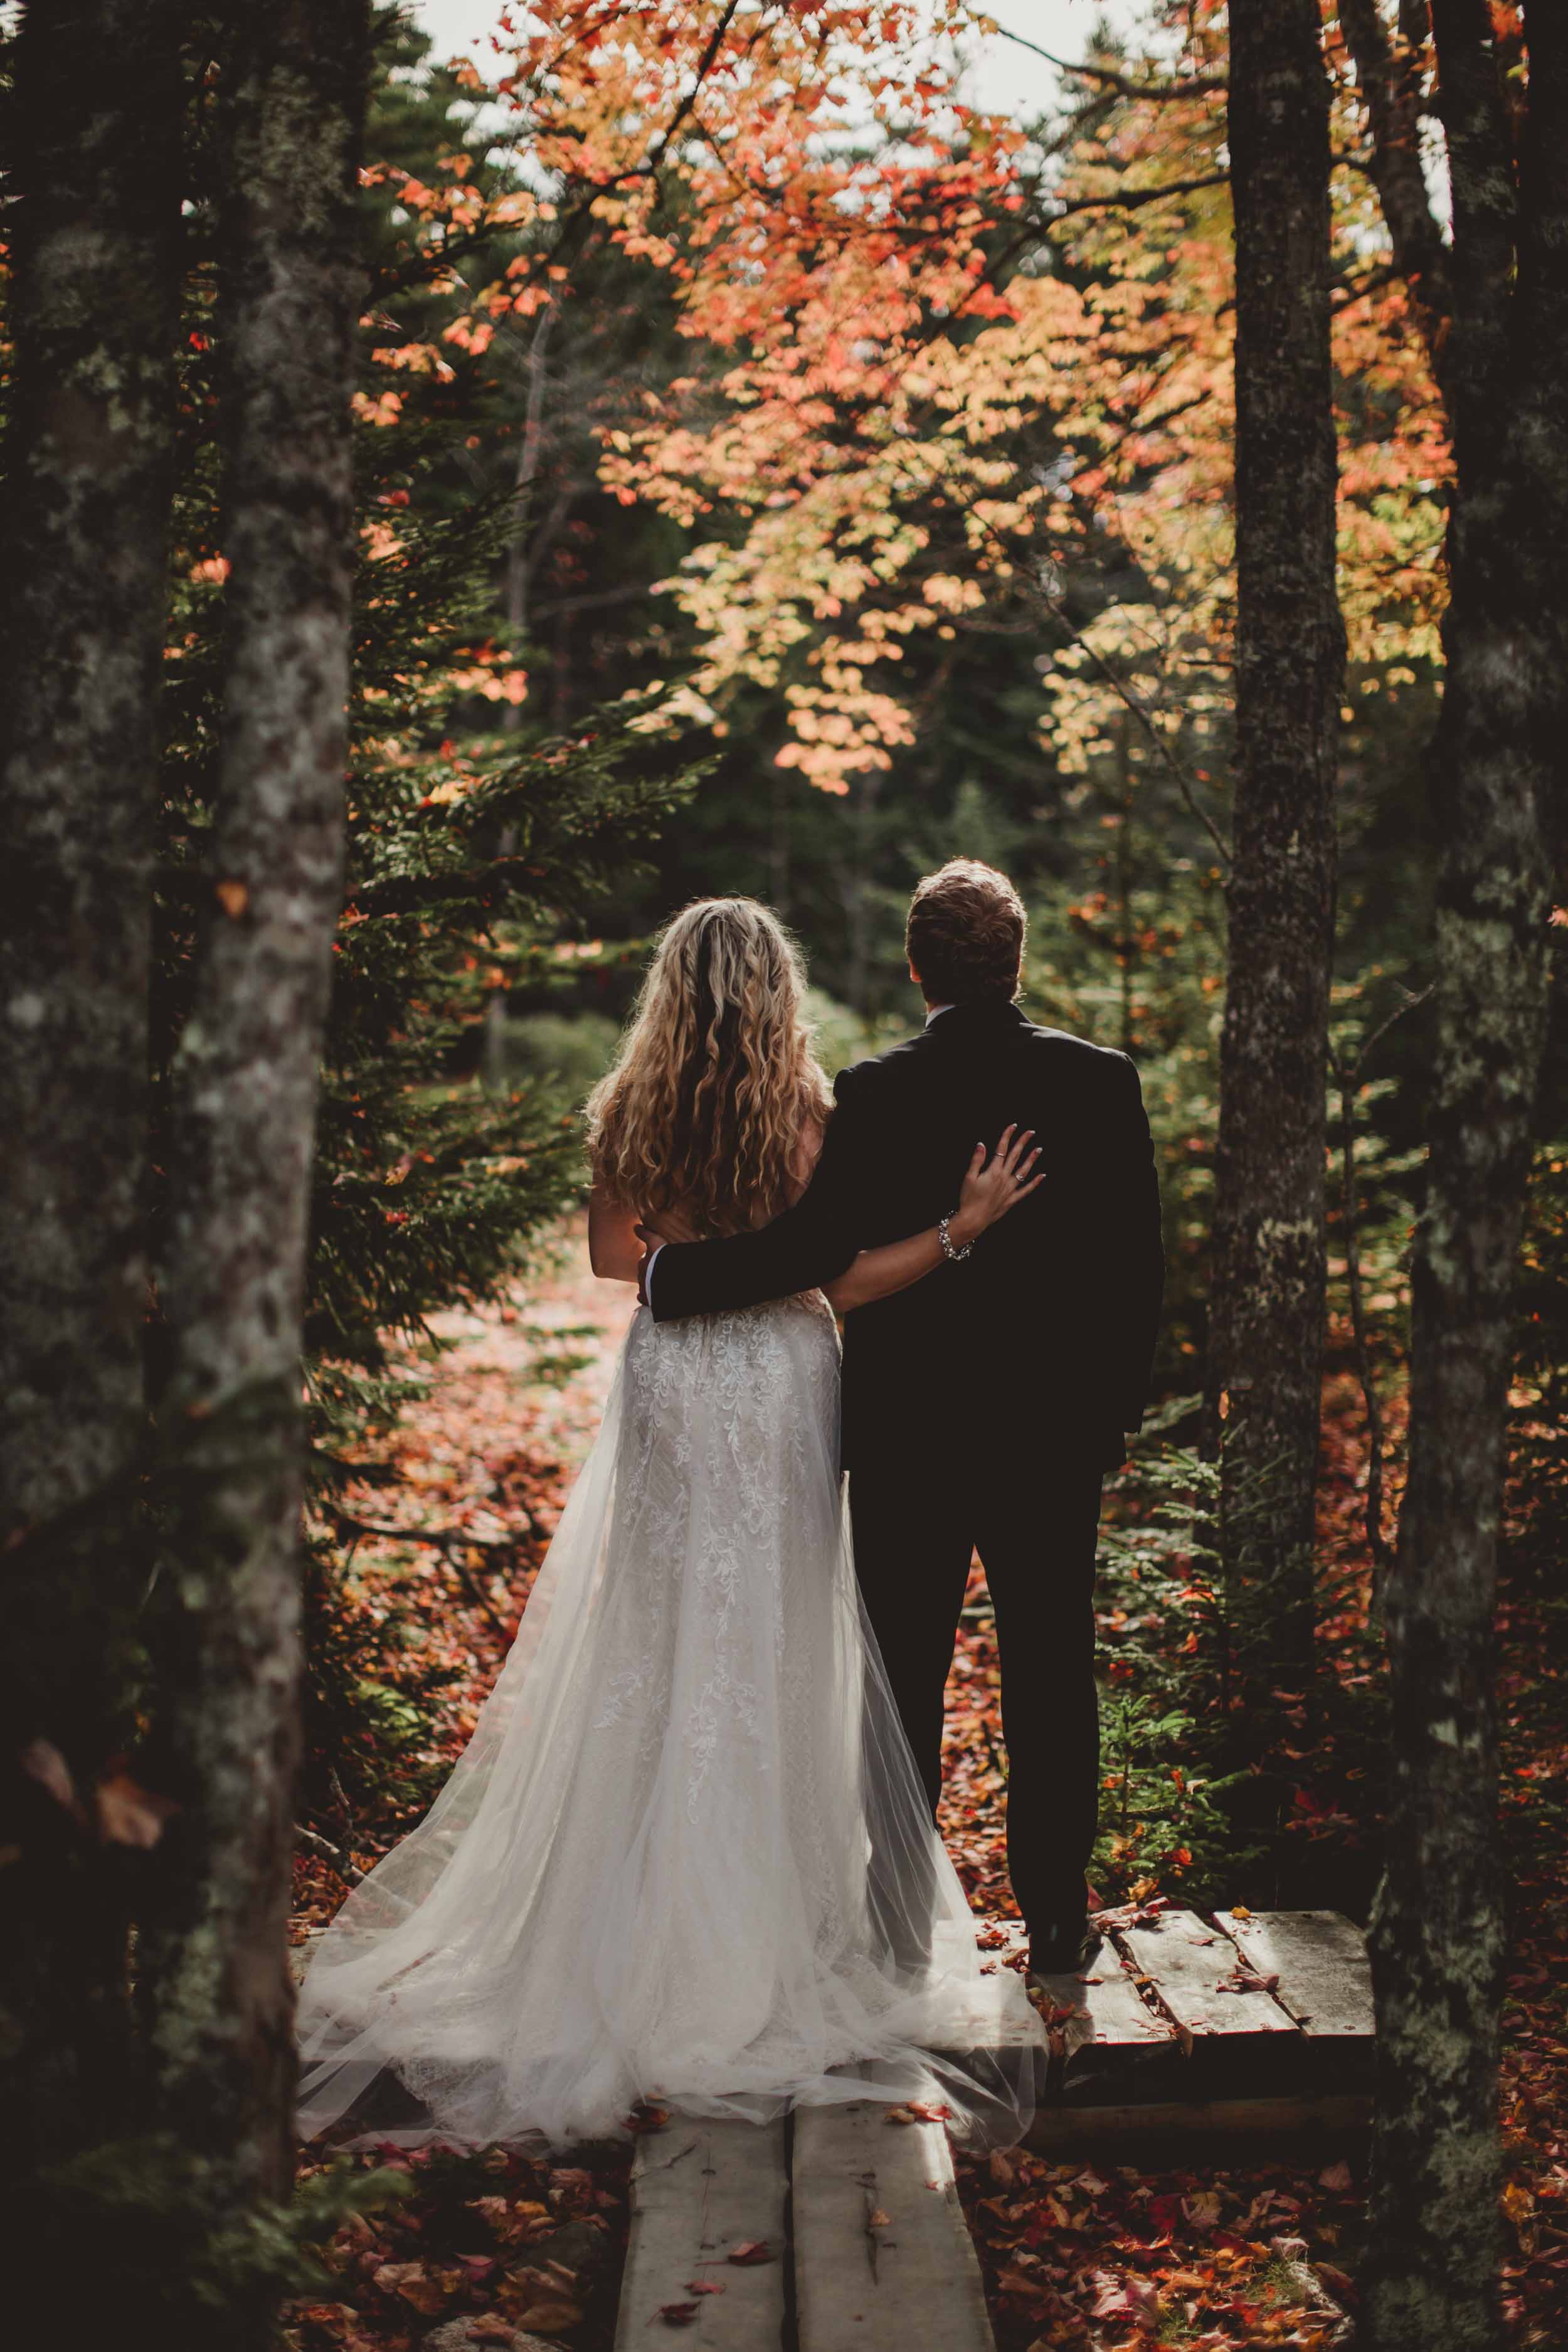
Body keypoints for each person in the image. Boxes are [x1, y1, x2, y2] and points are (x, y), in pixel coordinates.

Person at [295, 895, 1044, 2149]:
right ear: (775, 991)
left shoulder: (627, 1114)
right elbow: (837, 1277)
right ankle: (762, 1928)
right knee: (769, 1637)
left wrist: (677, 1257)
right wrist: (957, 1233)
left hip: (674, 1377)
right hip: (783, 1382)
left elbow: (607, 1260)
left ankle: (623, 1921)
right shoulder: (815, 1117)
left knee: (655, 1636)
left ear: (666, 992)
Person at [641, 860, 1164, 1976]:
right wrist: (1106, 1426)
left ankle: (894, 1927)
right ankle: (1058, 1924)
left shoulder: (877, 1092)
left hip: (906, 1444)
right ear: (1017, 962)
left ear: (918, 966)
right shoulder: (1102, 1082)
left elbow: (813, 1255)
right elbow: (1137, 1275)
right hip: (1050, 1443)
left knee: (900, 1681)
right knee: (1052, 1672)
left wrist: (669, 1282)